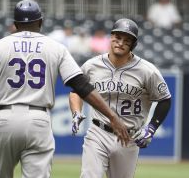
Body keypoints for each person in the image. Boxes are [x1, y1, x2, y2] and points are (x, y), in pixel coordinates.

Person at [0, 0, 130, 178]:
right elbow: (82, 86)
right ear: (40, 22)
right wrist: (112, 116)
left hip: (4, 119)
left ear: (15, 24)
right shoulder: (56, 48)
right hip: (38, 121)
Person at [69, 18, 171, 178]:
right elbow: (76, 90)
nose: (120, 42)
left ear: (133, 44)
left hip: (128, 137)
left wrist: (151, 128)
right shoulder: (92, 65)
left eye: (127, 40)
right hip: (98, 132)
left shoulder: (147, 71)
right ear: (111, 38)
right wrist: (76, 112)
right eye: (117, 37)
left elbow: (165, 99)